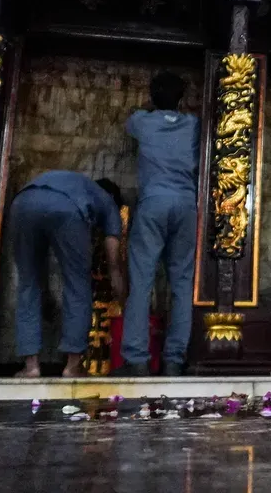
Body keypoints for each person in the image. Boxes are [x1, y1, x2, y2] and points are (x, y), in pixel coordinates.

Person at [114, 71, 200, 377]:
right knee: (181, 282)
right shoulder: (194, 124)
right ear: (181, 98)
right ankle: (174, 359)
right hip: (187, 205)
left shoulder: (141, 121)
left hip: (153, 204)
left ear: (152, 96)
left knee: (141, 282)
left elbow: (129, 118)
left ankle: (136, 359)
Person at [11, 171, 124, 378]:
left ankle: (31, 367)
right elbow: (114, 265)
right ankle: (72, 367)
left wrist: (46, 295)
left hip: (22, 203)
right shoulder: (109, 204)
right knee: (78, 284)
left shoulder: (77, 183)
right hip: (67, 209)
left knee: (28, 283)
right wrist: (124, 300)